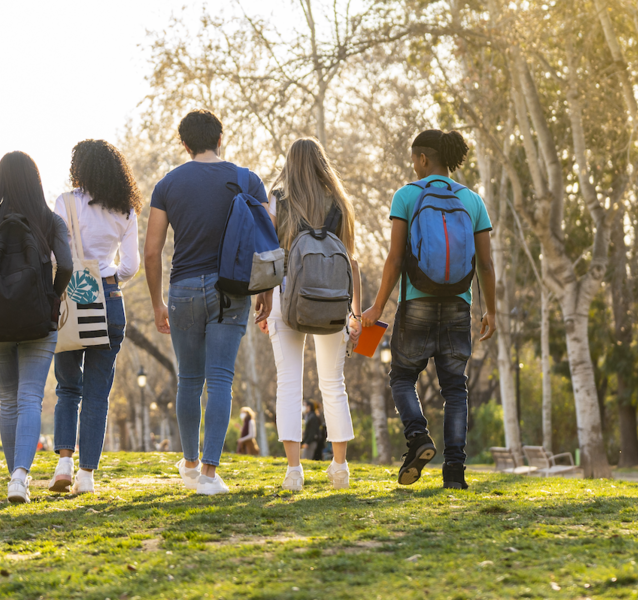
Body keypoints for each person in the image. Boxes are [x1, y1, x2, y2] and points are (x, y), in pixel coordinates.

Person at [361, 129, 497, 490]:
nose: (413, 165)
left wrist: (376, 306)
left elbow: (394, 258)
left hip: (417, 301)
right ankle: (454, 471)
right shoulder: (473, 201)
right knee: (455, 388)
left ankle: (418, 437)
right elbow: (485, 265)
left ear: (423, 159)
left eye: (413, 159)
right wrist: (491, 311)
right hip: (458, 304)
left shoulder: (407, 195)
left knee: (403, 377)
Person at [145, 109, 272, 496]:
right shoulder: (247, 180)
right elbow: (268, 242)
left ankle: (187, 462)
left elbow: (151, 252)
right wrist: (265, 292)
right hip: (230, 289)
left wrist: (156, 303)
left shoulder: (168, 184)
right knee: (219, 378)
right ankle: (209, 474)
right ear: (221, 137)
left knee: (189, 379)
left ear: (184, 144)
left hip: (182, 288)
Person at [0, 151, 72, 504]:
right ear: (35, 181)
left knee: (8, 399)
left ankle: (15, 479)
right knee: (30, 399)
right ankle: (19, 477)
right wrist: (51, 298)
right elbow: (66, 266)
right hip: (40, 320)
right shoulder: (49, 220)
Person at [261, 138, 362, 491]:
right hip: (334, 301)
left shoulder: (278, 199)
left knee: (289, 382)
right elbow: (351, 261)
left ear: (290, 163)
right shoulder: (339, 203)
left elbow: (269, 253)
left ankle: (294, 470)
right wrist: (357, 314)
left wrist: (263, 300)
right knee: (333, 384)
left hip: (286, 298)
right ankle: (339, 467)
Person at [50, 139, 142, 495]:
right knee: (97, 393)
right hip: (109, 298)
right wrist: (108, 274)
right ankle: (86, 476)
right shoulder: (126, 210)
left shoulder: (66, 203)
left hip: (73, 298)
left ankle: (63, 464)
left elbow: (57, 257)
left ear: (80, 168)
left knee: (67, 386)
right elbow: (131, 266)